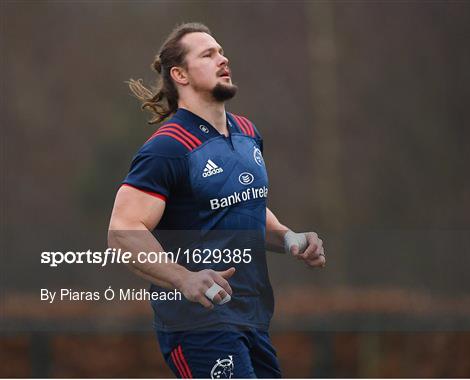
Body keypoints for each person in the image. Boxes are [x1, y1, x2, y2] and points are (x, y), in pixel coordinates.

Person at [108, 22, 325, 379]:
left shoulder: (247, 133)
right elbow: (122, 231)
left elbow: (247, 208)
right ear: (179, 74)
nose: (222, 59)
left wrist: (290, 238)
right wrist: (183, 279)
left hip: (251, 317)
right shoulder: (168, 148)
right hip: (198, 327)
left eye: (221, 52)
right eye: (208, 54)